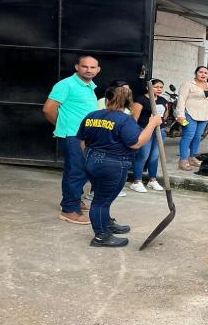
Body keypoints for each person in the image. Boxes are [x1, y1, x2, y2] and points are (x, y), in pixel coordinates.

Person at [77, 86, 162, 246]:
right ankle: (101, 236)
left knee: (102, 197)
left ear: (107, 99)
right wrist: (152, 124)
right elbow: (136, 143)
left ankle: (106, 223)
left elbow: (82, 141)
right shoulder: (124, 119)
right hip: (113, 163)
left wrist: (92, 158)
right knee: (101, 201)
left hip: (92, 160)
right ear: (129, 103)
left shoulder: (92, 115)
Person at [43, 56, 100, 225]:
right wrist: (64, 128)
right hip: (73, 135)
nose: (88, 70)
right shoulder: (66, 84)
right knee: (76, 171)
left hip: (85, 135)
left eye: (92, 67)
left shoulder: (90, 86)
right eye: (84, 66)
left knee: (80, 170)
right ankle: (69, 209)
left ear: (98, 69)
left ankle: (72, 200)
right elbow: (48, 109)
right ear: (77, 67)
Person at [130, 79, 168, 193]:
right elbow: (134, 118)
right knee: (143, 155)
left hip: (159, 130)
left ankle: (152, 180)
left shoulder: (163, 100)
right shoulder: (141, 100)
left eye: (161, 87)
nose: (159, 89)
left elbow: (165, 115)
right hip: (144, 130)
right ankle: (137, 181)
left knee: (155, 156)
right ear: (148, 88)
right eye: (156, 87)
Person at [176, 65, 208, 170]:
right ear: (196, 73)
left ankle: (192, 157)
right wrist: (180, 115)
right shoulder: (188, 84)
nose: (203, 74)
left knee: (198, 136)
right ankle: (183, 160)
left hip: (204, 115)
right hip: (189, 113)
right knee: (189, 136)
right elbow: (181, 100)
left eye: (205, 73)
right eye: (201, 72)